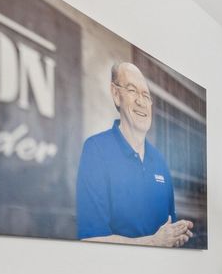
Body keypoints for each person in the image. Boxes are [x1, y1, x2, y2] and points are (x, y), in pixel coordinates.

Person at [75, 62, 193, 247]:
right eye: (132, 91)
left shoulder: (160, 161)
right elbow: (90, 238)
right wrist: (153, 242)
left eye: (146, 95)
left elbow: (168, 230)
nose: (141, 101)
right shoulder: (96, 150)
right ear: (116, 95)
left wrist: (176, 236)